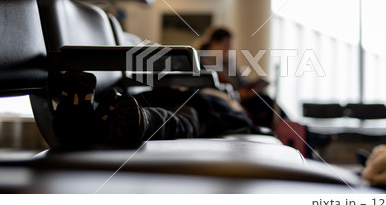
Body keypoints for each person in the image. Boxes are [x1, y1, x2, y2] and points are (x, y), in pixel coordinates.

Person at [53, 71, 258, 149]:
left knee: (181, 120)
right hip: (193, 105)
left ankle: (81, 118)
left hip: (183, 100)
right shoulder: (236, 111)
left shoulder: (235, 111)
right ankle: (139, 120)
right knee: (182, 122)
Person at [197, 27, 289, 129]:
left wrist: (252, 87)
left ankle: (287, 127)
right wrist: (239, 94)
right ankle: (288, 127)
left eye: (230, 47)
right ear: (214, 43)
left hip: (240, 98)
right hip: (226, 100)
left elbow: (242, 81)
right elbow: (209, 90)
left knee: (266, 101)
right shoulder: (200, 63)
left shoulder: (228, 63)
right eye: (226, 46)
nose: (229, 50)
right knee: (265, 103)